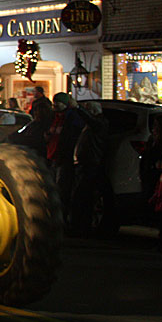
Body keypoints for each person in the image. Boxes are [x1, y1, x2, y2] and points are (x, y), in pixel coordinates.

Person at [69, 100, 111, 237]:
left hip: (90, 164)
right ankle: (80, 226)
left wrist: (79, 108)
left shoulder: (99, 124)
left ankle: (81, 227)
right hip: (86, 163)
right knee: (82, 196)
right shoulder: (94, 124)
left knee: (83, 196)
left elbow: (91, 120)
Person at [45, 92, 85, 228]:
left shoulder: (71, 117)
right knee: (53, 190)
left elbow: (72, 135)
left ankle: (61, 219)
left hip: (64, 159)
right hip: (53, 157)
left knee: (62, 191)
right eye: (54, 102)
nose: (55, 104)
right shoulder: (54, 117)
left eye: (58, 102)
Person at [8, 96, 53, 161]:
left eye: (38, 111)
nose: (36, 113)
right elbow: (21, 132)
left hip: (38, 156)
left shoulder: (45, 124)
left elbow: (35, 139)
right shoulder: (33, 123)